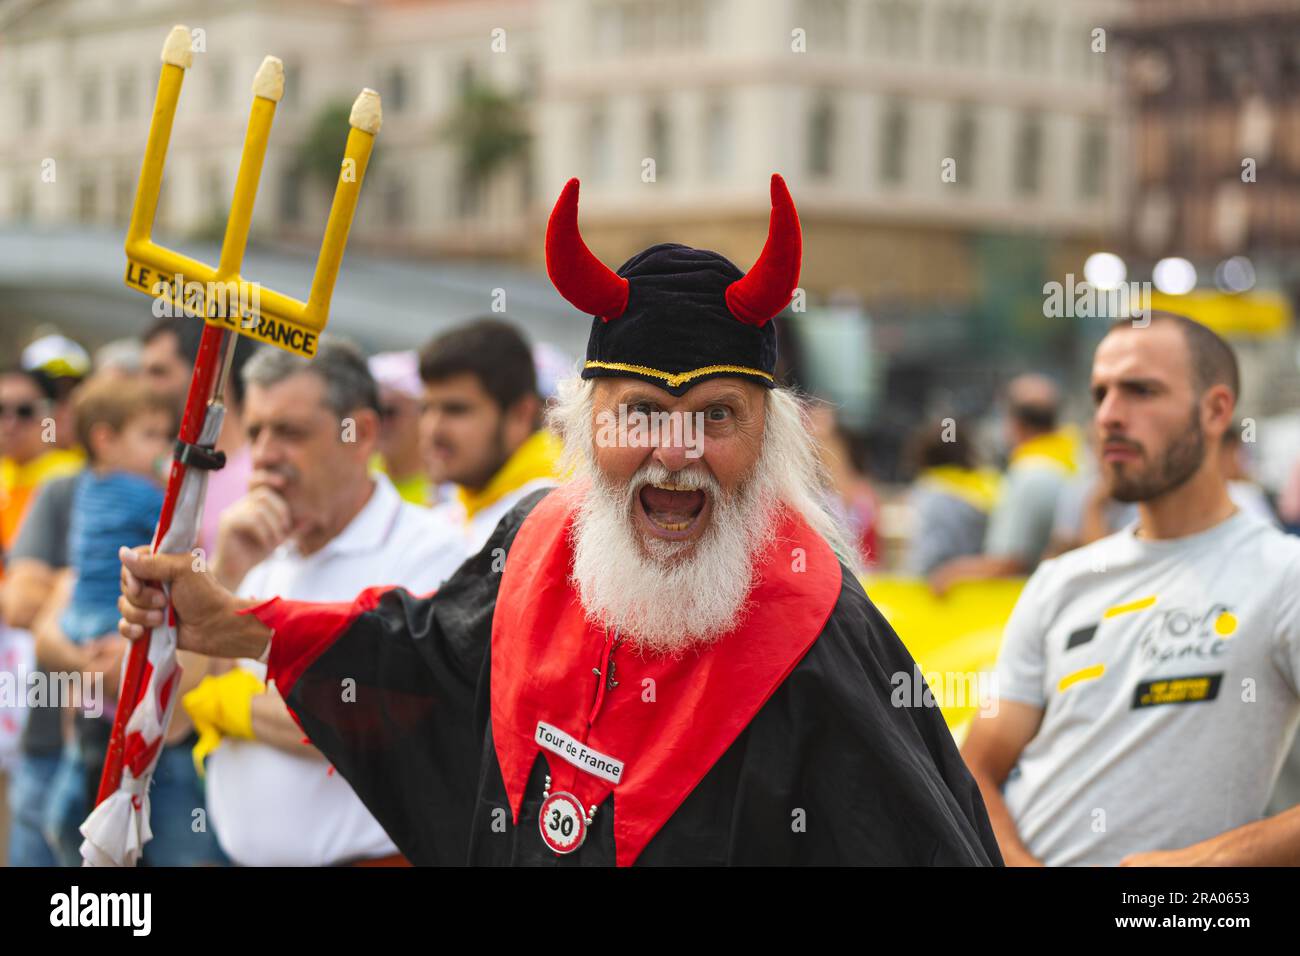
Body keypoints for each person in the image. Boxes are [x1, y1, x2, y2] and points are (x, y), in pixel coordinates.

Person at [116, 175, 1001, 866]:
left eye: (717, 417)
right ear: (586, 423)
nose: (675, 452)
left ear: (770, 436)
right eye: (640, 412)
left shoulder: (820, 630)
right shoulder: (538, 540)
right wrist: (240, 624)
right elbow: (422, 658)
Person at [961, 312, 1300, 866]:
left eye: (1141, 391)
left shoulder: (1283, 573)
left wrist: (1205, 863)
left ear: (1216, 410)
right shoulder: (1063, 580)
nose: (1110, 416)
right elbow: (977, 768)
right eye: (1100, 394)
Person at [176, 341, 468, 866]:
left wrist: (230, 702)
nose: (263, 454)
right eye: (258, 429)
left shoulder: (429, 551)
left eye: (290, 432)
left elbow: (376, 717)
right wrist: (227, 570)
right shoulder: (256, 553)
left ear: (362, 435)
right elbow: (174, 714)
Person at [38, 377, 173, 865]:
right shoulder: (139, 494)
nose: (163, 448)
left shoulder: (88, 486)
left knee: (87, 718)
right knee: (105, 743)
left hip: (77, 615)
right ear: (104, 438)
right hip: (104, 619)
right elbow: (179, 530)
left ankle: (72, 813)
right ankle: (79, 816)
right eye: (151, 435)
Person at [419, 319, 563, 552]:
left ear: (520, 415)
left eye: (456, 409)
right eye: (425, 409)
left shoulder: (552, 516)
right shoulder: (458, 510)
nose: (432, 429)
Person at [929, 375, 1077, 593]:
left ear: (1014, 423)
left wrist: (948, 574)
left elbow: (1007, 563)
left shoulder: (1029, 475)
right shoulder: (1072, 462)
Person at [905, 420, 1000, 577]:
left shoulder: (932, 493)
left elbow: (926, 559)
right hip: (987, 588)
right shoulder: (991, 485)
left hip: (941, 588)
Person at [367, 350, 432, 506]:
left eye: (389, 411)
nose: (378, 422)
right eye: (373, 409)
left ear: (423, 414)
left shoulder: (449, 490)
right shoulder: (356, 473)